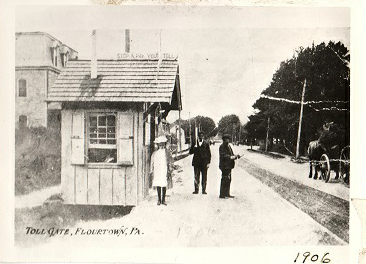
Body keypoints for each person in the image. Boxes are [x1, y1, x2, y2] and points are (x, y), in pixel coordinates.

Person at [150, 135, 172, 205]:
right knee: (158, 184)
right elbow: (152, 162)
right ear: (158, 145)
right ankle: (159, 200)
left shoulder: (167, 152)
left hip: (164, 169)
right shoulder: (155, 153)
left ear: (164, 144)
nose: (161, 146)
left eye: (163, 144)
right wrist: (151, 170)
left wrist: (170, 169)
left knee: (164, 184)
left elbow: (170, 161)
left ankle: (163, 200)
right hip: (157, 170)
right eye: (160, 144)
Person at [219, 134, 241, 199]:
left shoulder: (228, 146)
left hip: (229, 166)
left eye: (228, 139)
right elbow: (224, 156)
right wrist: (233, 157)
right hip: (224, 166)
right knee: (224, 179)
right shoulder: (222, 146)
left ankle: (227, 193)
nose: (228, 140)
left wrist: (236, 156)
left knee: (228, 180)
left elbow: (231, 154)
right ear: (224, 139)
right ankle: (222, 195)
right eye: (227, 139)